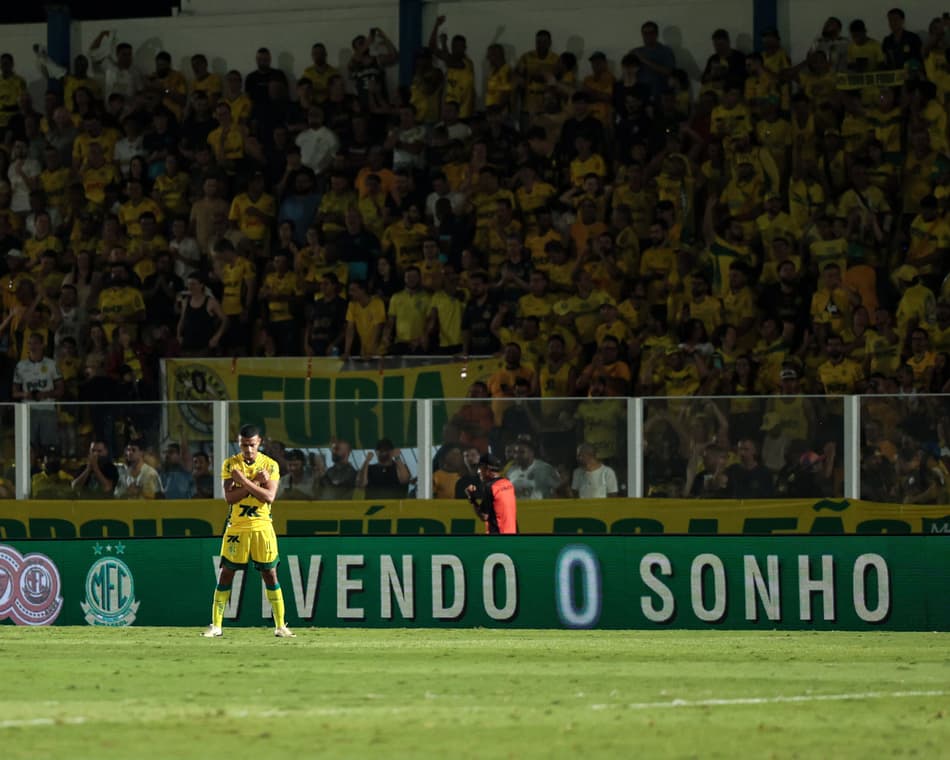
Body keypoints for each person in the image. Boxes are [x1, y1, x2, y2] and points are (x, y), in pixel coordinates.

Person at [202, 424, 294, 638]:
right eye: (244, 445)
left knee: (270, 574)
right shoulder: (230, 464)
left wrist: (243, 481)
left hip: (262, 526)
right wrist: (256, 482)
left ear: (259, 442)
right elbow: (229, 498)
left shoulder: (270, 465)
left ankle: (280, 625)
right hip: (237, 526)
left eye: (252, 445)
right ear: (239, 443)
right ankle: (216, 625)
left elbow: (269, 497)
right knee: (226, 573)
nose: (248, 449)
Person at [465, 453, 517, 534]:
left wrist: (472, 499)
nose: (478, 471)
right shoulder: (508, 484)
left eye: (480, 468)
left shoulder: (490, 487)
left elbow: (484, 516)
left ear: (487, 469)